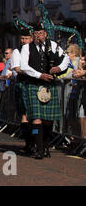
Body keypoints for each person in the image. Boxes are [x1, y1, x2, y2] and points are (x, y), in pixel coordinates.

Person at [20, 22, 69, 159]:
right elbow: (23, 66)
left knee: (48, 119)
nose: (38, 36)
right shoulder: (27, 48)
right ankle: (39, 149)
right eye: (36, 34)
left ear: (45, 34)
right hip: (34, 84)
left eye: (41, 33)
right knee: (36, 118)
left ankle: (45, 146)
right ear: (33, 35)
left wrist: (59, 68)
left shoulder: (53, 46)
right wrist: (39, 75)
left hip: (50, 86)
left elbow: (65, 59)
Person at [10, 28, 35, 154]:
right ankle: (28, 142)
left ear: (31, 38)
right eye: (22, 39)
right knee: (25, 114)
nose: (23, 41)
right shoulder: (16, 51)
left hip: (35, 83)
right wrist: (35, 73)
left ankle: (37, 142)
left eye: (26, 38)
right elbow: (17, 68)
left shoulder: (35, 50)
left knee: (36, 115)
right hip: (23, 84)